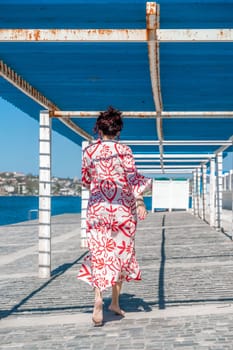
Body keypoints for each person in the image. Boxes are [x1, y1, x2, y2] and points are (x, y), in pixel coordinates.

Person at [77, 106, 152, 326]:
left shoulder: (89, 152)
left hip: (98, 209)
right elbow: (133, 180)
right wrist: (140, 201)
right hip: (122, 210)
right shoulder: (125, 150)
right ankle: (115, 302)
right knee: (121, 254)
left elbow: (86, 180)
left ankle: (98, 299)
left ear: (99, 130)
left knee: (100, 253)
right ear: (118, 131)